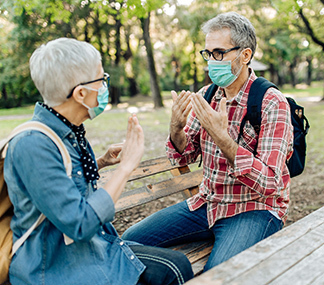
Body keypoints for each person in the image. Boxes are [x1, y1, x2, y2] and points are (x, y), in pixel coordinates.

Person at [4, 38, 193, 285]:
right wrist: (126, 168)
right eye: (100, 79)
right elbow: (80, 224)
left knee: (176, 266)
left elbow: (65, 182)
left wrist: (101, 162)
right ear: (81, 93)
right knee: (174, 271)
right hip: (57, 267)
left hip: (94, 250)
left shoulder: (67, 131)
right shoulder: (33, 144)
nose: (104, 86)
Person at [122, 12, 294, 271]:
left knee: (218, 275)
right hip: (207, 203)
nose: (212, 61)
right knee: (126, 242)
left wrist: (222, 138)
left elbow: (270, 182)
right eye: (208, 53)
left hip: (254, 209)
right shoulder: (208, 94)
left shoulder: (272, 102)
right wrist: (176, 128)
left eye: (219, 53)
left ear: (245, 55)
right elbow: (185, 155)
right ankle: (176, 273)